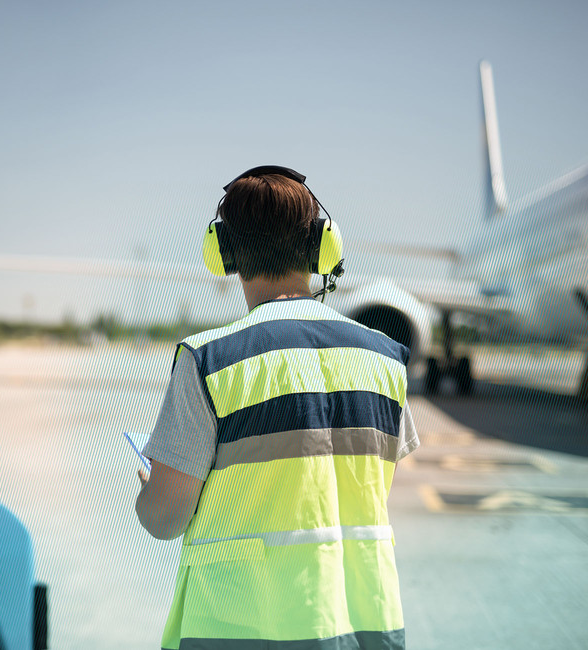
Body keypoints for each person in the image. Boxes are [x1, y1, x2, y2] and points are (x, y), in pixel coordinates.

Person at [135, 166, 418, 649]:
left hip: (244, 632)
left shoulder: (210, 361)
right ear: (323, 247)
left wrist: (156, 488)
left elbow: (164, 519)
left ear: (222, 253)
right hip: (367, 629)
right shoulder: (384, 358)